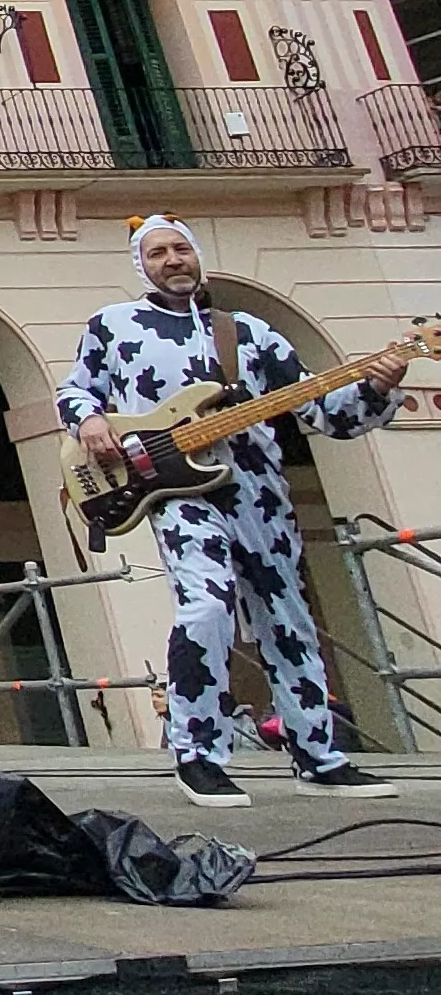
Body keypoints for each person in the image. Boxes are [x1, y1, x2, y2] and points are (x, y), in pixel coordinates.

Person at [56, 213, 406, 807]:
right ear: (141, 264)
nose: (173, 260)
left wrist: (376, 387)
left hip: (259, 493)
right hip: (177, 494)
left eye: (182, 249)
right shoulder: (113, 327)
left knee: (288, 620)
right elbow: (75, 391)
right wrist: (90, 421)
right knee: (207, 605)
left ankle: (318, 753)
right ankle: (197, 753)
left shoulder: (249, 333)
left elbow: (327, 413)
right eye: (160, 252)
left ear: (198, 258)